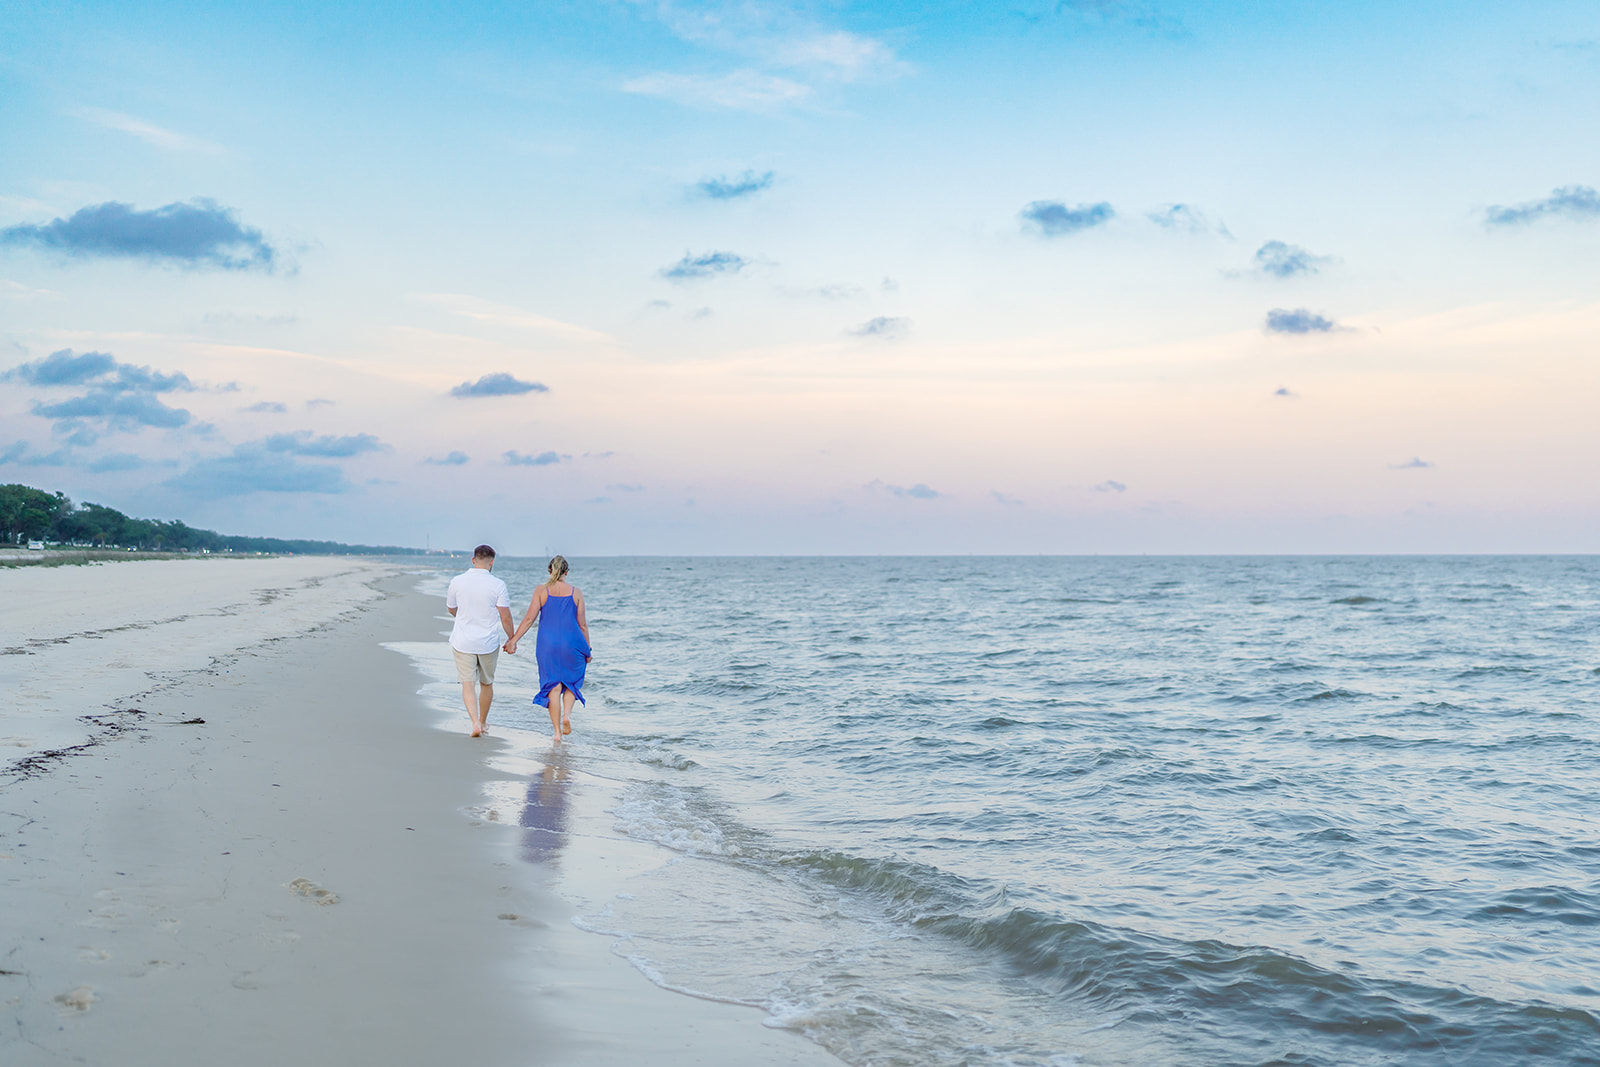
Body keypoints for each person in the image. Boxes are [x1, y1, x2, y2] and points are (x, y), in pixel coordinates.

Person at [504, 555, 591, 744]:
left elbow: (529, 619)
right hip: (573, 644)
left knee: (553, 685)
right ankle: (567, 715)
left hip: (547, 644)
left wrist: (513, 640)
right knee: (571, 682)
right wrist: (588, 649)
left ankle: (557, 733)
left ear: (549, 571)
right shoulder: (576, 593)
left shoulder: (541, 590)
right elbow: (582, 625)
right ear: (566, 572)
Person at [445, 544, 514, 738]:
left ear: (473, 560)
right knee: (486, 683)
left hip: (462, 641)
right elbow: (505, 616)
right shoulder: (498, 584)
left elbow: (451, 608)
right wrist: (512, 638)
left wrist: (464, 618)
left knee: (468, 684)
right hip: (488, 642)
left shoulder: (457, 581)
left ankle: (474, 723)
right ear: (492, 563)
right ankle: (483, 722)